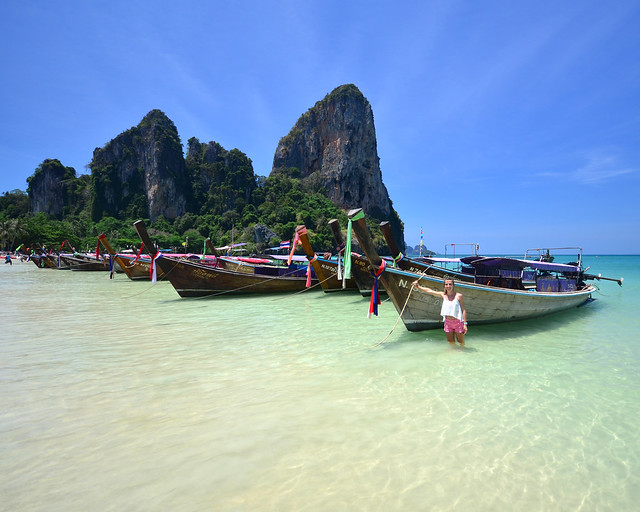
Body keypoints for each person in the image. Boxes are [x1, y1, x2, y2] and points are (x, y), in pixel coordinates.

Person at [412, 277, 467, 346]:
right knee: (451, 342)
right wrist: (418, 286)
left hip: (458, 322)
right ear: (444, 286)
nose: (448, 286)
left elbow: (463, 310)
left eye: (450, 284)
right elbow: (430, 291)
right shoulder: (443, 295)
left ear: (453, 285)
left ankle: (462, 355)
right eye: (446, 284)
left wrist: (465, 324)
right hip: (448, 322)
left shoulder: (459, 296)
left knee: (461, 342)